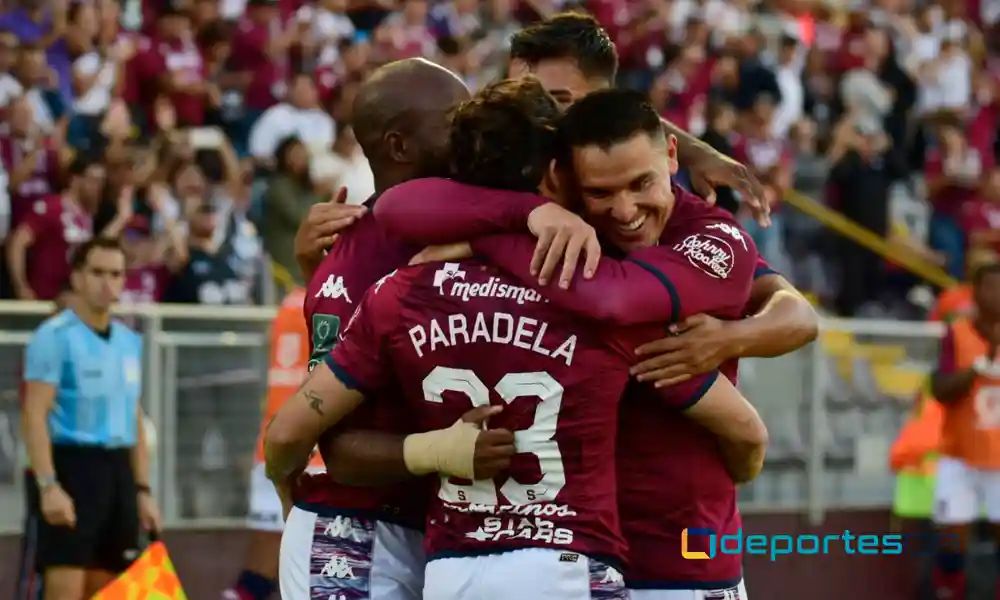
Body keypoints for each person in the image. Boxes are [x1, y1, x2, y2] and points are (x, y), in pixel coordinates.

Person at [265, 78, 768, 600]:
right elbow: (747, 432)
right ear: (557, 172)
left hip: (442, 561)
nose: (621, 210)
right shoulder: (594, 289)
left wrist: (289, 487)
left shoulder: (394, 279)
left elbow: (293, 436)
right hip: (564, 558)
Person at [292, 13, 772, 287]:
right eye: (527, 96)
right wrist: (529, 214)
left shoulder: (656, 199)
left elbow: (785, 307)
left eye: (556, 102)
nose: (539, 114)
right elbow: (399, 207)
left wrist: (739, 336)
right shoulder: (496, 172)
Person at [276, 57, 475, 600]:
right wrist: (441, 450)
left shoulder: (446, 229)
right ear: (400, 147)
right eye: (456, 121)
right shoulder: (358, 257)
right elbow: (338, 450)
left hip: (425, 531)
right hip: (356, 532)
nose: (472, 133)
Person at [21, 237, 162, 600]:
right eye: (97, 272)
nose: (107, 282)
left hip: (118, 473)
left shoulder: (129, 341)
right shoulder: (53, 337)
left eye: (116, 274)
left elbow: (133, 418)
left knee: (115, 590)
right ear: (78, 277)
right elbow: (34, 414)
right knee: (65, 586)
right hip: (72, 469)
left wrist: (143, 490)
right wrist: (48, 486)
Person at [223, 286, 322, 600]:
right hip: (315, 453)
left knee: (266, 568)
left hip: (274, 442)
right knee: (311, 571)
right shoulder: (341, 296)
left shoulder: (290, 300)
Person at [928, 262, 1000, 600]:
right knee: (952, 541)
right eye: (990, 287)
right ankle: (949, 589)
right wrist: (976, 369)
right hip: (961, 454)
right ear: (975, 292)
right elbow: (939, 389)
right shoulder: (957, 333)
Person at [18, 283, 76, 600]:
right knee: (37, 560)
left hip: (87, 473)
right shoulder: (43, 353)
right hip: (46, 470)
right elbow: (34, 412)